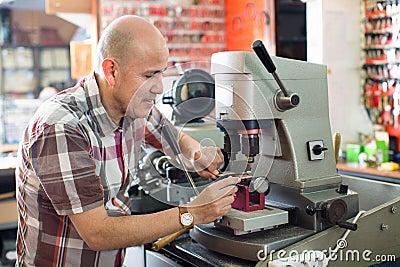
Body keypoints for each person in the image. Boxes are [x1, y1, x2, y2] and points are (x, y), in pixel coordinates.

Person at [15, 15, 240, 266]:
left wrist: (198, 155)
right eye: (149, 75)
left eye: (162, 73)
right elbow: (98, 233)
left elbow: (171, 136)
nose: (159, 87)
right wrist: (195, 213)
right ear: (112, 71)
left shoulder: (132, 107)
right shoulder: (62, 127)